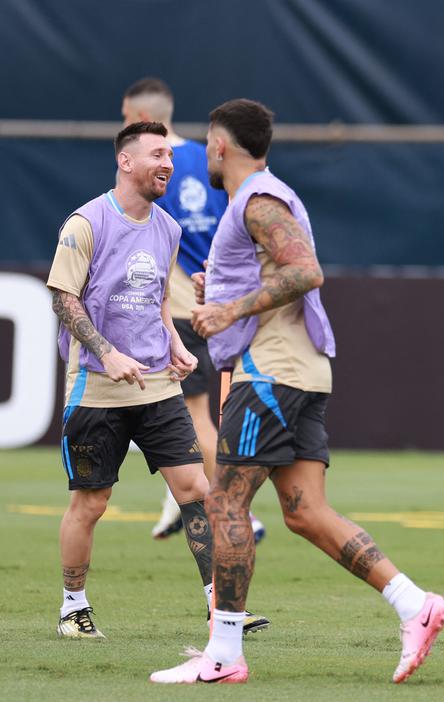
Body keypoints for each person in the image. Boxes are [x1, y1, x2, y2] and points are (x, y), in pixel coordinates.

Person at [150, 99, 444, 684]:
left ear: (219, 146)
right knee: (306, 512)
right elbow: (272, 272)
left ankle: (224, 655)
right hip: (300, 370)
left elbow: (305, 270)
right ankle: (416, 605)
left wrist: (228, 309)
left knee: (225, 503)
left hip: (272, 373)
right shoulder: (252, 200)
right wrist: (224, 294)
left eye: (206, 145)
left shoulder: (259, 198)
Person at [47, 122, 221, 639]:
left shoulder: (168, 227)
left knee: (196, 489)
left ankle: (222, 608)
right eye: (156, 154)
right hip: (97, 386)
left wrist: (175, 344)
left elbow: (158, 301)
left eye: (170, 154)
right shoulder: (86, 223)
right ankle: (72, 608)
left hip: (158, 385)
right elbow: (63, 298)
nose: (167, 163)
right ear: (126, 162)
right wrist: (106, 352)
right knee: (91, 503)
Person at [120, 77, 266, 544]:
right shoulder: (211, 164)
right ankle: (178, 501)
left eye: (126, 119)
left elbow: (136, 232)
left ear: (141, 119)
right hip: (212, 296)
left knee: (192, 413)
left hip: (178, 304)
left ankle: (237, 508)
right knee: (181, 412)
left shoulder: (152, 167)